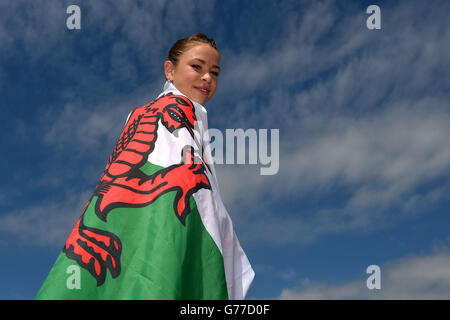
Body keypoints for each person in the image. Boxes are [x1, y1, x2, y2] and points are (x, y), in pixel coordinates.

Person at [35, 33, 254, 300]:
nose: (207, 77)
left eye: (215, 72)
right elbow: (174, 176)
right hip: (157, 225)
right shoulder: (165, 108)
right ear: (170, 70)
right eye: (197, 67)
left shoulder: (191, 119)